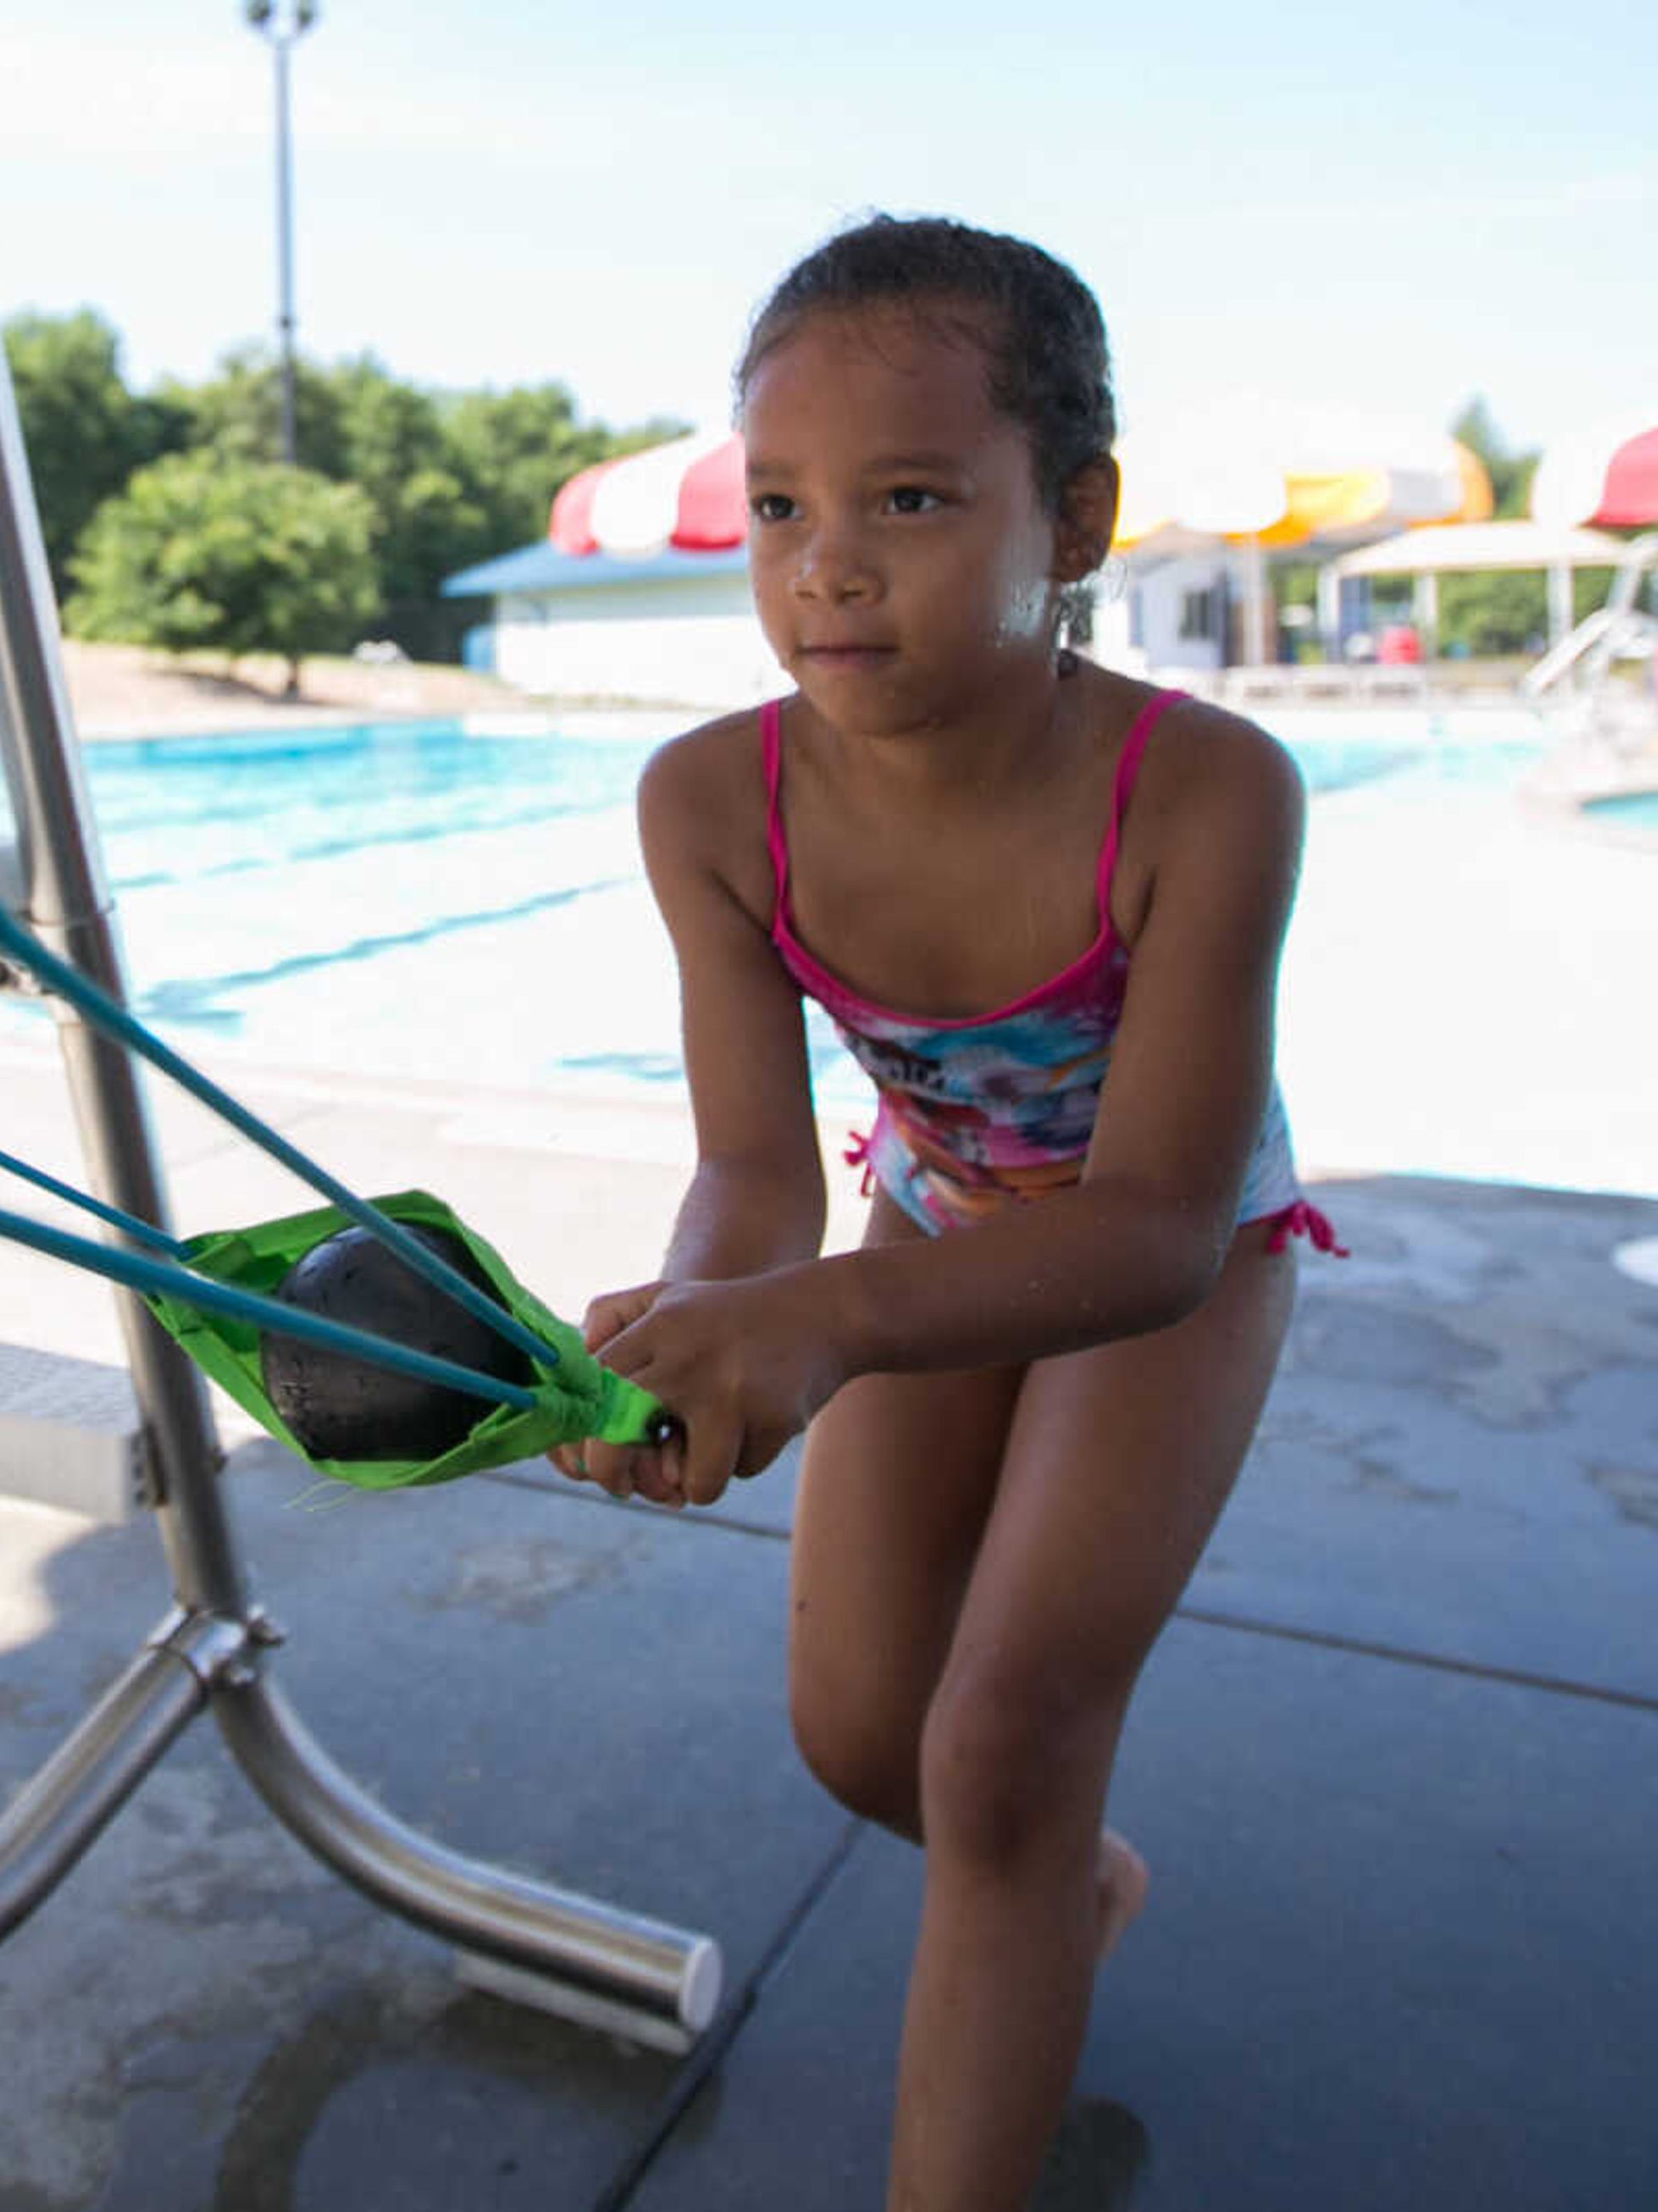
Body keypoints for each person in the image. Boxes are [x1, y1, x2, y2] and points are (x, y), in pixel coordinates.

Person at [547, 215, 1341, 2210]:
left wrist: (816, 1326)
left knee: (999, 1741)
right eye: (784, 505)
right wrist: (701, 1322)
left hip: (1169, 1252)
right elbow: (749, 1163)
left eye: (909, 498)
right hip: (927, 1210)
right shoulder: (712, 804)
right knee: (857, 1733)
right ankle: (1065, 1884)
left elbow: (1155, 1223)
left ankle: (1018, 1903)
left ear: (1072, 516)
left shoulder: (1207, 793)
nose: (827, 561)